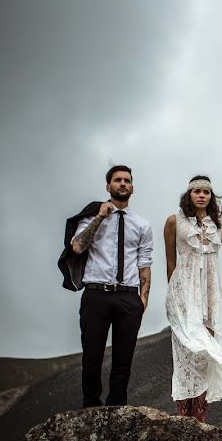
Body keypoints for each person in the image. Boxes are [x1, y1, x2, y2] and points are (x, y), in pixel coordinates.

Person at [70, 165, 154, 408]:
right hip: (96, 294)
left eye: (127, 180)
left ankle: (117, 407)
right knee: (92, 355)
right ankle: (91, 406)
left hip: (128, 297)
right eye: (117, 180)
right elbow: (77, 247)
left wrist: (143, 298)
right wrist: (99, 217)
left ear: (132, 188)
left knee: (123, 357)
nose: (123, 184)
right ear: (108, 187)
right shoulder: (90, 218)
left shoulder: (142, 225)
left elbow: (144, 263)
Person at [164, 175, 222, 422]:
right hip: (184, 296)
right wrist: (176, 298)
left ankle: (201, 417)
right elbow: (171, 262)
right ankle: (184, 415)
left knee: (207, 356)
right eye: (196, 191)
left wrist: (214, 305)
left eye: (206, 192)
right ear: (189, 195)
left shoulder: (221, 227)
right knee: (187, 354)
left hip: (211, 298)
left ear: (211, 197)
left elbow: (211, 266)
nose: (201, 195)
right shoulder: (174, 222)